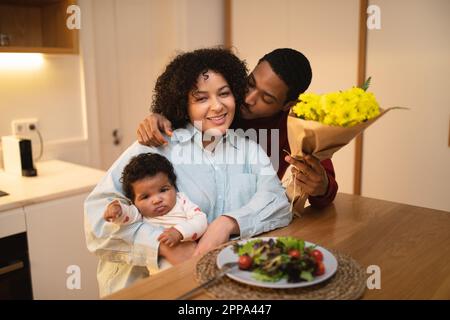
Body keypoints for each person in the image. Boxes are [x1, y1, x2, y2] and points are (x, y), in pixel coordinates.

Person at [84, 48, 291, 296]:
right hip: (145, 289)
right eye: (201, 98)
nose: (217, 106)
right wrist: (162, 247)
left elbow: (278, 201)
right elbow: (97, 217)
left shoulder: (249, 148)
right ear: (184, 104)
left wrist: (227, 224)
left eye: (224, 94)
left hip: (215, 287)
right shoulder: (157, 145)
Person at [137, 48, 338, 212]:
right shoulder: (223, 107)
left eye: (266, 99)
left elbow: (325, 189)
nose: (249, 99)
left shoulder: (298, 128)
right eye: (250, 84)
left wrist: (322, 187)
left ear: (288, 105)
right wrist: (163, 116)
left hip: (257, 221)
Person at [103, 153, 207, 249]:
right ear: (133, 202)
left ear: (174, 187)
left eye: (163, 190)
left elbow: (200, 220)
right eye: (145, 197)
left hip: (195, 257)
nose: (157, 200)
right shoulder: (140, 213)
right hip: (164, 267)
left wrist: (179, 232)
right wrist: (117, 210)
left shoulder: (182, 201)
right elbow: (127, 215)